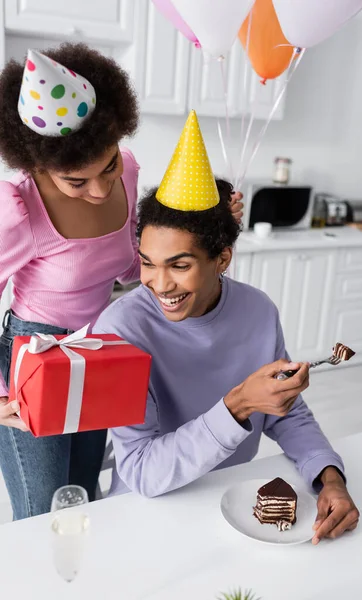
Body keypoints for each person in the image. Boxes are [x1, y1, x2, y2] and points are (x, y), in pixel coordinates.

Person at [0, 43, 245, 520]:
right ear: (38, 164)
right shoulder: (18, 210)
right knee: (42, 512)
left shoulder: (129, 173)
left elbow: (133, 268)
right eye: (76, 181)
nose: (99, 189)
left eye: (108, 166)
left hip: (102, 348)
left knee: (87, 496)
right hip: (36, 356)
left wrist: (211, 223)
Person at [94, 112, 359, 545]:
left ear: (222, 259)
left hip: (235, 510)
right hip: (149, 516)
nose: (160, 284)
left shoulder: (258, 311)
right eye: (147, 263)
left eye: (179, 265)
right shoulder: (119, 331)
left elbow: (287, 413)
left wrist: (329, 476)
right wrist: (236, 405)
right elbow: (141, 471)